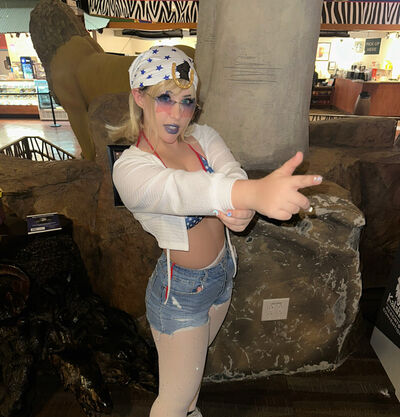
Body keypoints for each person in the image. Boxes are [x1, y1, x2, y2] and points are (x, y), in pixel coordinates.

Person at [112, 45, 322, 417]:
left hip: (222, 277)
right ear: (139, 97)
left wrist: (242, 207)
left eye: (187, 102)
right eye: (165, 98)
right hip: (181, 294)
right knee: (174, 400)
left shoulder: (203, 138)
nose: (178, 113)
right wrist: (251, 194)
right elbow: (182, 190)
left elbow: (231, 173)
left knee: (190, 386)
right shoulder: (130, 169)